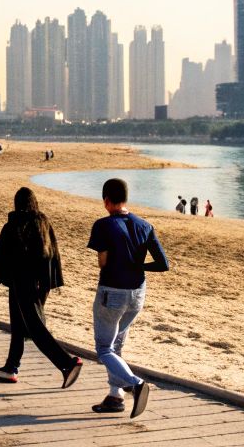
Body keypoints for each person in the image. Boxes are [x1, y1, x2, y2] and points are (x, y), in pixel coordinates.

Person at [0, 187, 84, 389]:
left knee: (35, 328)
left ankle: (67, 363)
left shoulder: (14, 224)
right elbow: (53, 253)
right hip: (40, 283)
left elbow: (1, 253)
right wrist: (50, 282)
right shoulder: (43, 223)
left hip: (21, 282)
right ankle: (11, 368)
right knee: (18, 327)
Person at [87, 177, 170, 418]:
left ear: (106, 201)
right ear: (125, 198)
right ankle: (115, 397)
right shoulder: (144, 225)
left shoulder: (103, 225)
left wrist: (113, 259)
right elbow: (163, 264)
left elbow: (102, 262)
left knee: (103, 348)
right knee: (117, 344)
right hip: (137, 294)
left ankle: (135, 384)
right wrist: (139, 266)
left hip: (112, 292)